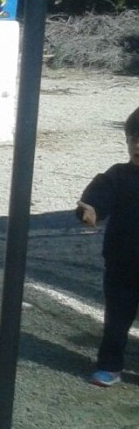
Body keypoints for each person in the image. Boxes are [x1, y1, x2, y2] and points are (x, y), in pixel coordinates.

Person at [75, 104, 139, 387]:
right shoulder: (118, 175)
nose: (138, 145)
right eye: (133, 139)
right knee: (116, 321)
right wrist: (90, 210)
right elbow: (98, 196)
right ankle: (110, 366)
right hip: (121, 266)